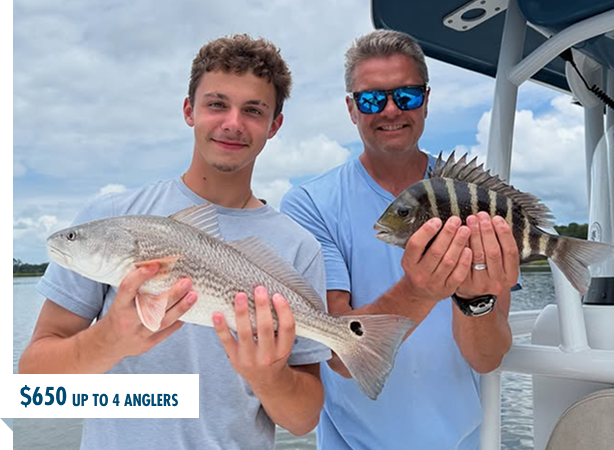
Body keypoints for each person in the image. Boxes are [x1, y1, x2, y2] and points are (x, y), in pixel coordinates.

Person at [19, 34, 330, 450]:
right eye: (216, 104)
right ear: (189, 110)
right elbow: (32, 384)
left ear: (274, 125)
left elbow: (304, 419)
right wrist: (108, 339)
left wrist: (269, 376)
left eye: (253, 110)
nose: (233, 123)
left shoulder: (299, 246)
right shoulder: (111, 215)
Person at [281, 29, 520, 450]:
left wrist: (474, 300)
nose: (390, 110)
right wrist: (418, 290)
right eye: (372, 99)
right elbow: (339, 356)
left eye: (406, 96)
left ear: (426, 100)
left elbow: (487, 358)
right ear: (352, 109)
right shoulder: (310, 205)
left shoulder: (477, 200)